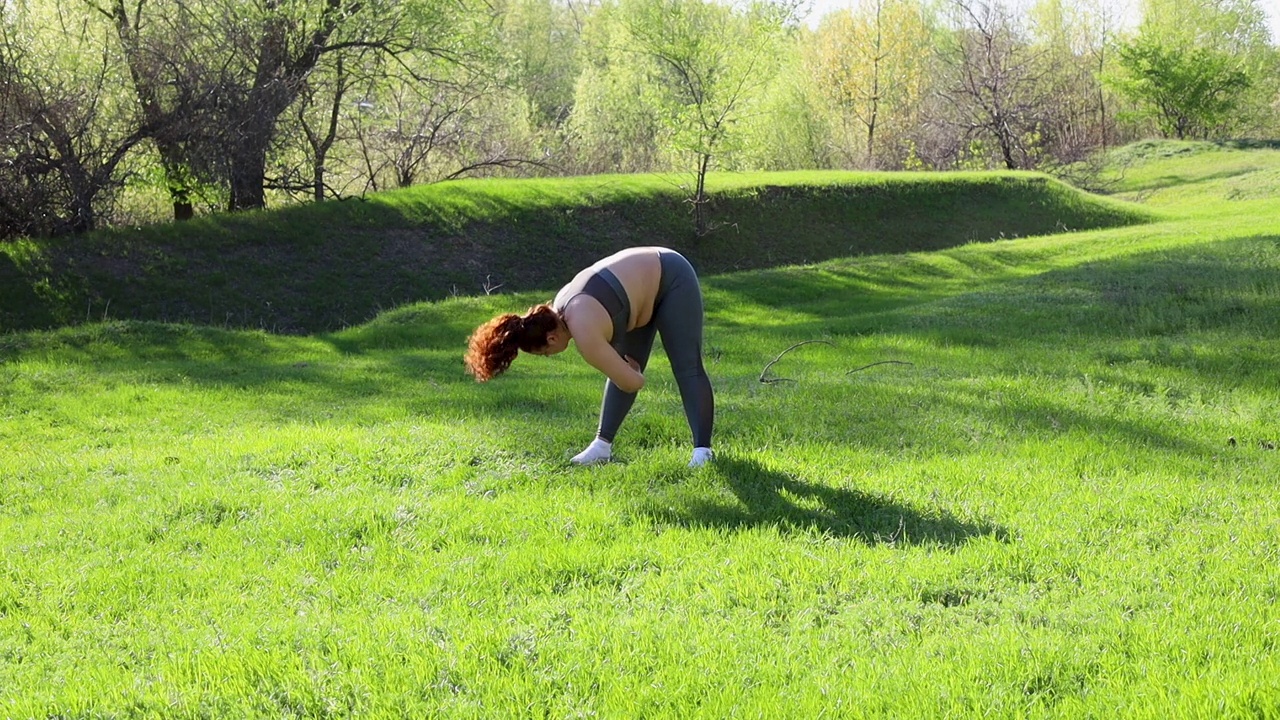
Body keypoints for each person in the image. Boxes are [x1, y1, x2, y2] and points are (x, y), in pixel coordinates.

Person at [464, 246, 715, 468]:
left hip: (671, 277)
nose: (550, 356)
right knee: (619, 366)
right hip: (638, 295)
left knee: (687, 367)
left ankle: (703, 451)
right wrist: (624, 369)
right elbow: (621, 376)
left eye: (544, 353)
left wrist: (631, 372)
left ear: (551, 339)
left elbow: (634, 382)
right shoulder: (560, 305)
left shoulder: (583, 330)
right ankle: (601, 447)